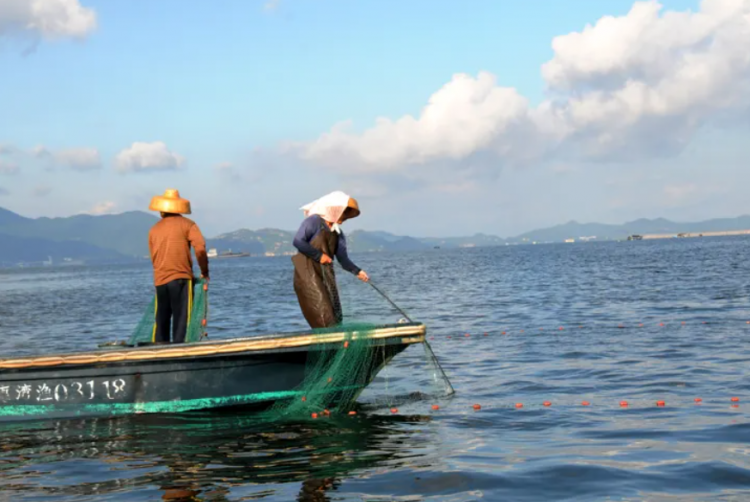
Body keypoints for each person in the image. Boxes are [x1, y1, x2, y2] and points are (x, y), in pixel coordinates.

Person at [292, 191, 369, 329]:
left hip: (326, 275)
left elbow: (343, 259)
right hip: (308, 275)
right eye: (343, 212)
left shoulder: (338, 233)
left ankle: (338, 345)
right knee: (324, 314)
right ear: (334, 210)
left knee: (336, 313)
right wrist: (319, 256)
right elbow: (298, 241)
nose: (344, 217)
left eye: (346, 214)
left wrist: (358, 272)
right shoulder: (314, 221)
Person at [147, 189, 210, 344]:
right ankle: (179, 347)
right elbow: (200, 248)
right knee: (182, 317)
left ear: (163, 209)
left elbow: (153, 257)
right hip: (181, 278)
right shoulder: (188, 225)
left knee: (161, 317)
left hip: (160, 280)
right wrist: (204, 272)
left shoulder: (154, 230)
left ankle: (159, 349)